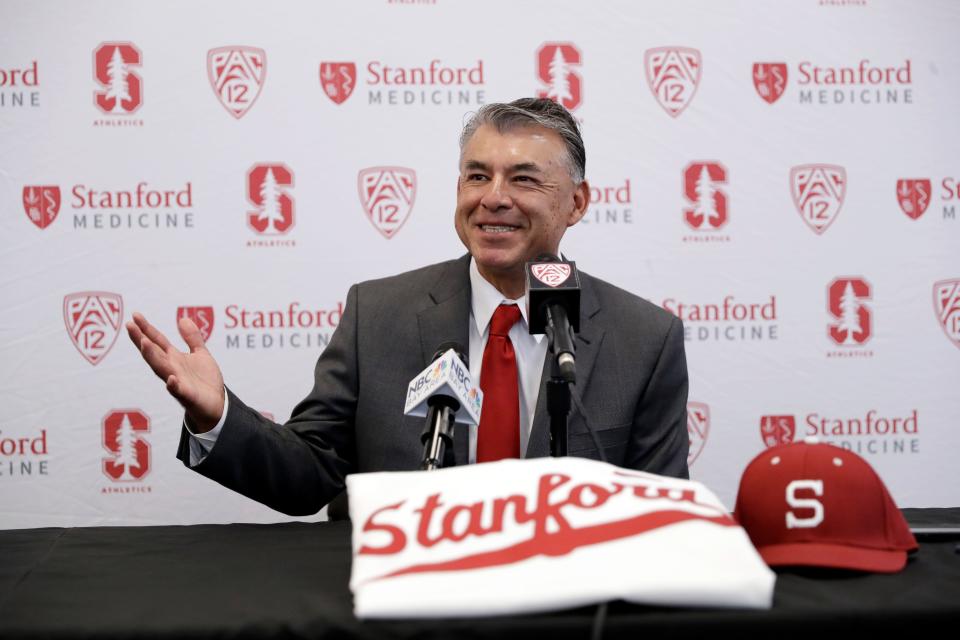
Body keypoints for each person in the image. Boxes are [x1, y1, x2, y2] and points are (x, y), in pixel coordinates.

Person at [127, 97, 690, 518]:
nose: (492, 197)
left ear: (577, 203)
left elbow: (663, 517)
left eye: (523, 179)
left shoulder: (643, 339)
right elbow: (308, 475)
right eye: (476, 175)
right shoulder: (378, 314)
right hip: (400, 612)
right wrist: (217, 415)